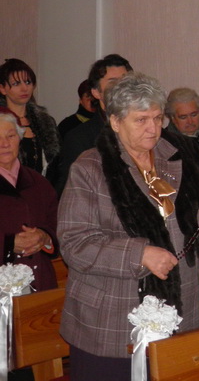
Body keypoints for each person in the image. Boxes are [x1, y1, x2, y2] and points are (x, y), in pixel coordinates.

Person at [57, 72, 199, 380]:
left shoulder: (179, 155)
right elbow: (75, 243)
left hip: (181, 306)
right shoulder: (90, 167)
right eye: (141, 120)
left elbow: (197, 228)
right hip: (113, 317)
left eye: (157, 118)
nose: (153, 129)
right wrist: (140, 254)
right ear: (115, 121)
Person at [0, 108, 59, 292]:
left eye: (11, 136)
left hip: (40, 282)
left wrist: (45, 237)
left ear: (19, 138)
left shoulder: (39, 182)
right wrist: (8, 244)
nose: (4, 144)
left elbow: (59, 226)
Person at [57, 54, 133, 195]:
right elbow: (70, 191)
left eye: (125, 81)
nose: (121, 87)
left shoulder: (144, 130)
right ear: (96, 92)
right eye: (113, 82)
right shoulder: (78, 138)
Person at [0, 58, 60, 177]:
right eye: (16, 84)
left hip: (43, 185)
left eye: (28, 82)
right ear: (2, 89)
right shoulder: (2, 122)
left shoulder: (46, 121)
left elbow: (58, 163)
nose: (24, 88)